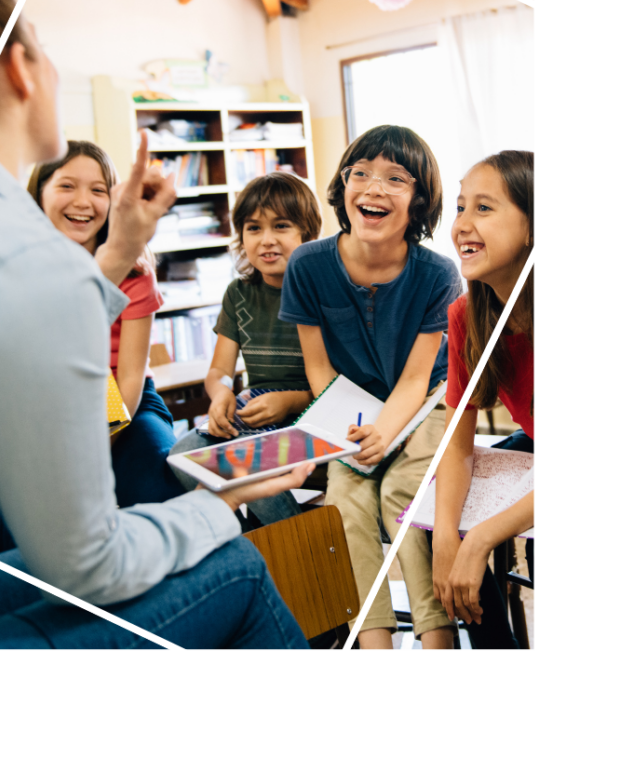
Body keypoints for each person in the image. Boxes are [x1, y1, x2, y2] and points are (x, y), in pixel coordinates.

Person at [0, 0, 314, 652]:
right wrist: (229, 504)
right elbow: (87, 561)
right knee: (235, 566)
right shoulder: (23, 261)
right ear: (23, 70)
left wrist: (119, 247)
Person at [280, 125, 462, 651]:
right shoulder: (308, 265)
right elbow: (319, 371)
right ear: (341, 187)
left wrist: (387, 430)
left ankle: (436, 637)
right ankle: (373, 642)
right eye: (359, 173)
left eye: (394, 178)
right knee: (346, 501)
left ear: (419, 200)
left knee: (400, 495)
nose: (373, 187)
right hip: (348, 412)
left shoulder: (438, 274)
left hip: (427, 403)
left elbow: (416, 377)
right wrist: (354, 431)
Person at [27, 142, 184, 508]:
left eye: (98, 190)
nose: (83, 202)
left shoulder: (135, 270)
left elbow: (130, 377)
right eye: (67, 186)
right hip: (50, 404)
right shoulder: (21, 265)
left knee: (156, 483)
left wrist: (100, 444)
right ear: (39, 194)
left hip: (126, 401)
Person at [169, 173, 322, 527]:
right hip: (254, 413)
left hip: (310, 415)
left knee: (245, 462)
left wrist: (290, 401)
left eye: (281, 226)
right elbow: (219, 369)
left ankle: (297, 548)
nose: (266, 241)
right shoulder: (238, 294)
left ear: (307, 234)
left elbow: (340, 383)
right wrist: (220, 392)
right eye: (253, 229)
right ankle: (247, 540)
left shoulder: (323, 292)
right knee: (181, 455)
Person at [432, 150, 535, 651]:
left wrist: (481, 537)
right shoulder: (466, 314)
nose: (462, 225)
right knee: (435, 523)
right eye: (459, 207)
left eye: (484, 208)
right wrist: (447, 535)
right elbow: (457, 443)